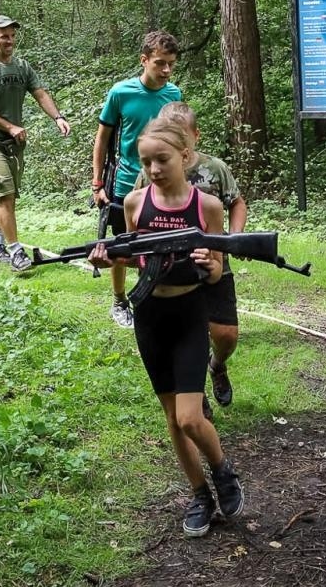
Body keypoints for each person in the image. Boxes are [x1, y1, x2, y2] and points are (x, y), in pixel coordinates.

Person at [89, 117, 245, 537]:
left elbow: (216, 272)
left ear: (185, 156)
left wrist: (210, 264)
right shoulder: (134, 203)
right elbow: (134, 257)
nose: (154, 169)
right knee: (173, 419)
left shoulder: (206, 207)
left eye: (162, 159)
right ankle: (200, 495)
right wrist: (108, 257)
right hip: (150, 317)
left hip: (190, 313)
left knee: (191, 418)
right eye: (146, 162)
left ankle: (222, 471)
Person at [134, 102, 247, 410]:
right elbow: (138, 215)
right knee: (182, 336)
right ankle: (193, 394)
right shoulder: (151, 172)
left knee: (226, 334)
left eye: (180, 134)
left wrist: (233, 239)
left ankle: (217, 366)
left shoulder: (215, 168)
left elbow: (236, 203)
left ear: (194, 137)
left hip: (211, 263)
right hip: (170, 274)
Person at [93, 30, 182, 328]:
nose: (166, 70)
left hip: (162, 184)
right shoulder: (121, 92)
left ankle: (160, 299)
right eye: (160, 63)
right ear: (144, 60)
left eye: (171, 64)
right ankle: (119, 300)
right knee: (122, 245)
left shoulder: (174, 94)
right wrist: (97, 183)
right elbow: (102, 139)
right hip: (125, 183)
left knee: (162, 244)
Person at [0, 15, 70, 272]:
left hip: (14, 144)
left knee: (8, 197)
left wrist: (58, 117)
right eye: (4, 36)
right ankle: (15, 252)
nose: (10, 40)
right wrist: (10, 126)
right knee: (4, 194)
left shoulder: (22, 67)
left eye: (12, 36)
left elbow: (40, 93)